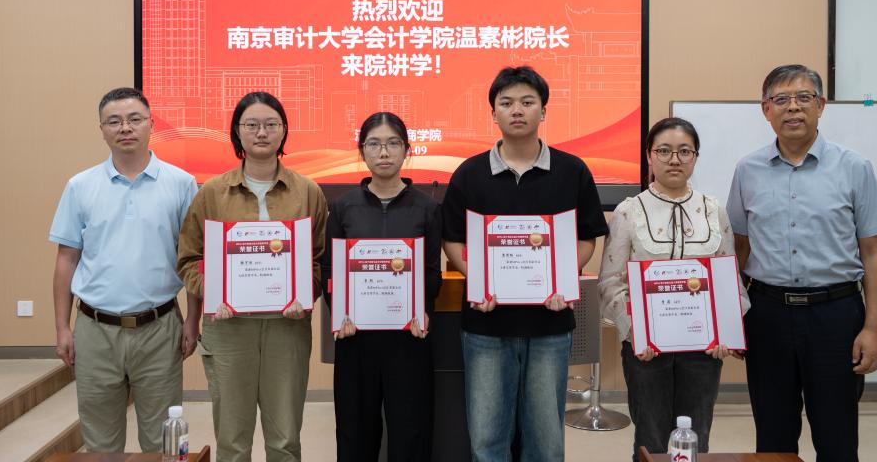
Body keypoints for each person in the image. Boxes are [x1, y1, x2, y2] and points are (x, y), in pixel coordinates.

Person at [440, 66, 609, 462]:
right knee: (486, 439)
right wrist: (478, 279)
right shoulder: (469, 174)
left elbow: (587, 237)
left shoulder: (572, 171)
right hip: (486, 325)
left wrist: (561, 277)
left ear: (543, 111)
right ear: (494, 113)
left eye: (527, 102)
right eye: (507, 103)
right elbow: (452, 239)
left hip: (549, 324)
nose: (517, 110)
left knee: (545, 442)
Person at [727, 64, 877, 461]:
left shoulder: (854, 167)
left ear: (821, 105)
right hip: (767, 315)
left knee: (837, 438)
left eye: (804, 98)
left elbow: (874, 252)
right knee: (773, 437)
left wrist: (873, 329)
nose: (793, 108)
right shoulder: (747, 170)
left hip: (835, 316)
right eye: (781, 99)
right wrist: (730, 318)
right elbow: (739, 249)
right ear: (766, 109)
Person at [176, 91, 328, 462]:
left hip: (287, 328)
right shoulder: (212, 193)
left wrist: (305, 293)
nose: (262, 132)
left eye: (271, 124)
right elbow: (188, 258)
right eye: (252, 125)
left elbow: (320, 260)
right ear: (237, 132)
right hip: (229, 329)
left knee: (285, 440)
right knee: (232, 441)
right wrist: (214, 291)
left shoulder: (308, 192)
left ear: (284, 130)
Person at [50, 87, 199, 452]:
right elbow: (66, 260)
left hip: (159, 328)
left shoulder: (181, 184)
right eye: (114, 121)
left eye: (134, 119)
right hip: (94, 330)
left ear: (151, 124)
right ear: (102, 129)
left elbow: (194, 259)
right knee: (100, 441)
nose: (125, 128)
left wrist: (193, 321)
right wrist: (62, 327)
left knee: (162, 440)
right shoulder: (80, 186)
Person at [598, 117, 750, 461]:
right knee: (650, 441)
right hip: (646, 351)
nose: (675, 160)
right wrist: (636, 332)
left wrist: (724, 331)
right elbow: (610, 283)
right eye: (664, 151)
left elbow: (729, 279)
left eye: (685, 151)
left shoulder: (713, 210)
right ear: (649, 156)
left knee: (697, 439)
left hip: (703, 350)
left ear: (695, 157)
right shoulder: (628, 211)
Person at [321, 111, 442, 462]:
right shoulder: (343, 208)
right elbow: (330, 269)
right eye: (374, 144)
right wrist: (340, 314)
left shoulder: (426, 208)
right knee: (355, 433)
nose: (384, 152)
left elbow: (431, 271)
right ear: (362, 151)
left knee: (412, 432)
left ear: (407, 150)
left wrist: (423, 311)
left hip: (409, 338)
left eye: (392, 143)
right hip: (356, 339)